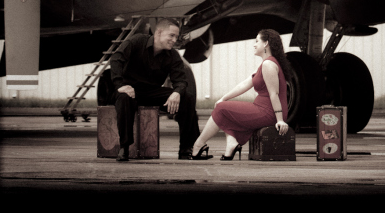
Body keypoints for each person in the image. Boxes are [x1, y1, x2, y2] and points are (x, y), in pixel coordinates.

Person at [191, 29, 290, 160]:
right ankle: (231, 144)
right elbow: (243, 85)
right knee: (225, 109)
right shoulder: (265, 64)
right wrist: (223, 98)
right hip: (263, 109)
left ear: (266, 43)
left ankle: (198, 145)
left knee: (221, 109)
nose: (254, 45)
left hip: (269, 112)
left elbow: (274, 94)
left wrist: (280, 120)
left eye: (257, 41)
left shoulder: (268, 64)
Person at [110, 17, 200, 161]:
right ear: (158, 33)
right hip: (130, 91)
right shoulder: (137, 41)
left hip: (153, 93)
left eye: (176, 36)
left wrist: (177, 92)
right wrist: (119, 85)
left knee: (186, 98)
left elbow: (181, 81)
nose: (174, 40)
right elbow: (116, 59)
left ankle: (186, 148)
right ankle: (124, 147)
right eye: (171, 35)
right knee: (124, 98)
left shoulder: (173, 55)